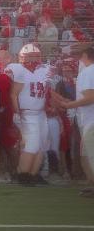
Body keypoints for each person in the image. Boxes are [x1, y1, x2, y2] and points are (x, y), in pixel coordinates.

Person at [6, 43, 51, 187]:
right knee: (31, 145)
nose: (32, 59)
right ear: (22, 57)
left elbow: (47, 91)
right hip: (27, 113)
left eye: (35, 56)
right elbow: (13, 95)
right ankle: (22, 174)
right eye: (29, 56)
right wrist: (18, 113)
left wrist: (60, 101)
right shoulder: (19, 70)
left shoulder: (43, 70)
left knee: (42, 145)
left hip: (41, 113)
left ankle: (33, 174)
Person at [53, 46, 94, 197]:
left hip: (90, 120)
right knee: (85, 155)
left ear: (85, 55)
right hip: (88, 119)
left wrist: (68, 105)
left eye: (78, 56)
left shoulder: (87, 72)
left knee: (88, 156)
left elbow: (90, 98)